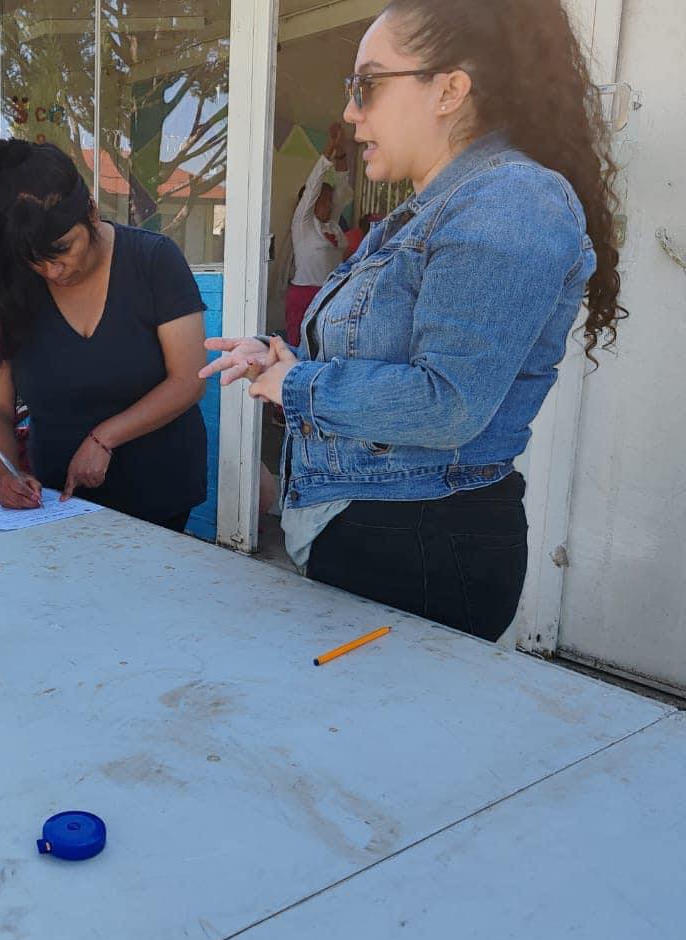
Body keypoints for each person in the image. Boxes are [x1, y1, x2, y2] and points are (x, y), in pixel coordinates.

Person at [202, 0, 622, 642]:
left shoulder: (507, 201)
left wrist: (298, 387)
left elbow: (448, 403)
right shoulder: (434, 207)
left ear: (450, 88)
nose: (349, 110)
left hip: (422, 543)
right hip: (390, 531)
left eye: (366, 84)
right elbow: (391, 364)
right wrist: (287, 361)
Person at [0, 139, 208, 532]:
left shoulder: (154, 260)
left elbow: (188, 380)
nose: (53, 271)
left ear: (90, 211)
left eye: (62, 249)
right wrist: (6, 472)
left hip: (160, 494)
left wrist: (103, 439)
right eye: (36, 261)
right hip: (58, 502)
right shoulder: (12, 288)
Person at [285, 125, 352, 347]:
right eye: (322, 199)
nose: (328, 203)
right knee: (299, 351)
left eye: (329, 199)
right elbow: (314, 184)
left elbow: (342, 187)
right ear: (312, 202)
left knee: (325, 348)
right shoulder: (303, 224)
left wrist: (341, 153)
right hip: (304, 296)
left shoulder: (332, 225)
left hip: (331, 296)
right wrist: (329, 148)